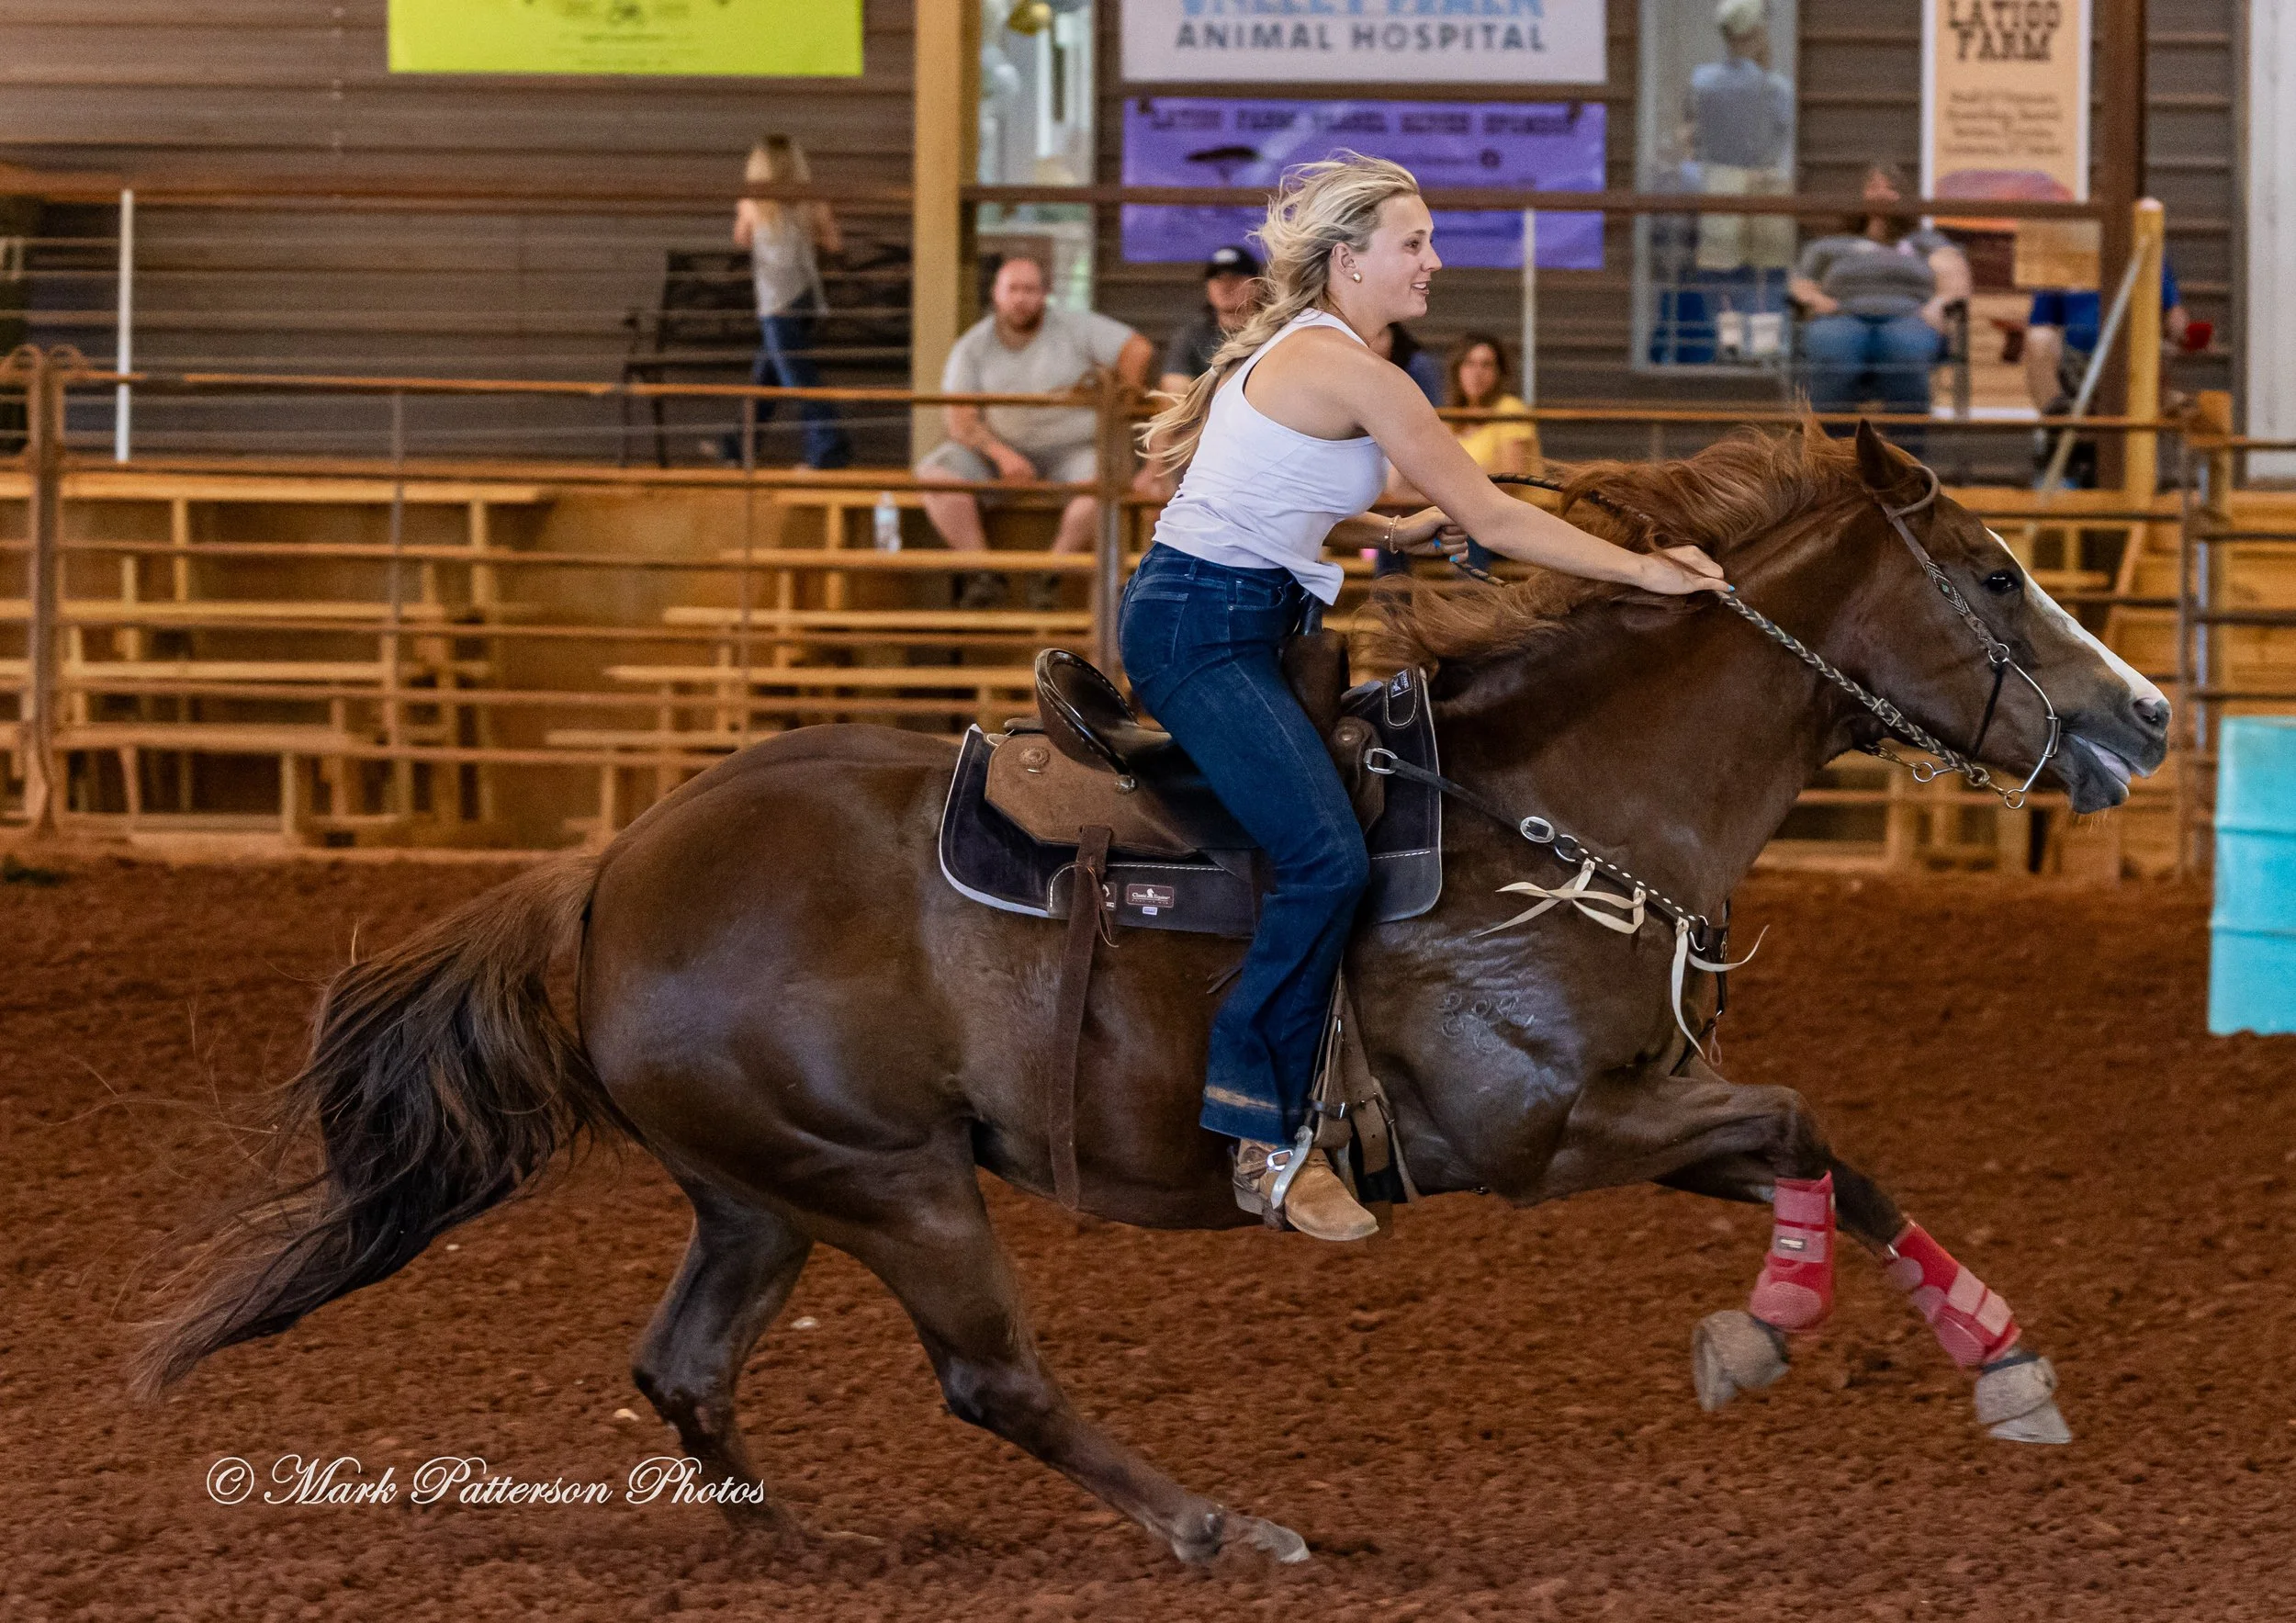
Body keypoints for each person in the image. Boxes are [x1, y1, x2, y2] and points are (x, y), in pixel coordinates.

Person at [1127, 154, 1723, 1240]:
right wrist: (1643, 571)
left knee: (1335, 838)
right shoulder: (1360, 374)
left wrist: (1378, 530)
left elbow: (1246, 491)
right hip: (1208, 632)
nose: (1433, 263)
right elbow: (1492, 519)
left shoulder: (1307, 352)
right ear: (1348, 261)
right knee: (1325, 857)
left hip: (1228, 620)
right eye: (1414, 244)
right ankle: (1261, 1135)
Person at [917, 256, 1154, 609]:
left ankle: (1050, 574)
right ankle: (983, 573)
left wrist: (1122, 394)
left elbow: (1138, 348)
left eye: (1030, 289)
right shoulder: (971, 346)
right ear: (996, 294)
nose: (1021, 298)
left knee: (1106, 478)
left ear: (1045, 294)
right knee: (934, 474)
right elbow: (960, 422)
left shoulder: (1074, 326)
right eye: (1013, 289)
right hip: (996, 454)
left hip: (1075, 452)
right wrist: (1002, 455)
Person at [1789, 165, 1970, 445]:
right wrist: (1813, 299)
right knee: (1834, 355)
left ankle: (1906, 462)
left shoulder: (1924, 242)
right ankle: (1828, 458)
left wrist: (1939, 304)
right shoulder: (1831, 246)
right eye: (1873, 187)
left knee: (1905, 356)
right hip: (1841, 316)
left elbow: (1954, 278)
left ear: (1906, 198)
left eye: (1891, 188)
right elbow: (1801, 283)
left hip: (1909, 318)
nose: (1881, 194)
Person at [721, 135, 850, 470]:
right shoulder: (812, 201)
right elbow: (834, 244)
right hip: (806, 297)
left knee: (797, 379)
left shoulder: (752, 202)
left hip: (775, 303)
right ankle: (737, 448)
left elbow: (741, 240)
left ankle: (828, 451)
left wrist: (748, 219)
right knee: (767, 375)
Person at [2024, 262, 2189, 415]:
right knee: (2038, 338)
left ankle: (2154, 406)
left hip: (2132, 361)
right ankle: (2056, 419)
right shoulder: (2064, 253)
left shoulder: (2146, 248)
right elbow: (2041, 320)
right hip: (2076, 363)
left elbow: (2173, 312)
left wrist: (2185, 334)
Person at [1158, 244, 1265, 400]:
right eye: (1218, 279)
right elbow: (1173, 388)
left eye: (1235, 278)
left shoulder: (1274, 331)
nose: (1226, 286)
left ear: (1257, 285)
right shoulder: (1191, 334)